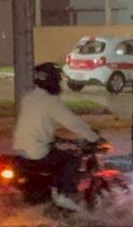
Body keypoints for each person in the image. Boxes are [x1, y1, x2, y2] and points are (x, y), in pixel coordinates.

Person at [12, 62, 105, 209]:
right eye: (58, 79)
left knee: (57, 154)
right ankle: (63, 194)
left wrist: (54, 137)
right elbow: (74, 123)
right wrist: (94, 138)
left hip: (20, 150)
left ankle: (49, 195)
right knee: (72, 158)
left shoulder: (28, 97)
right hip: (38, 152)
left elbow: (38, 124)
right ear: (52, 81)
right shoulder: (51, 102)